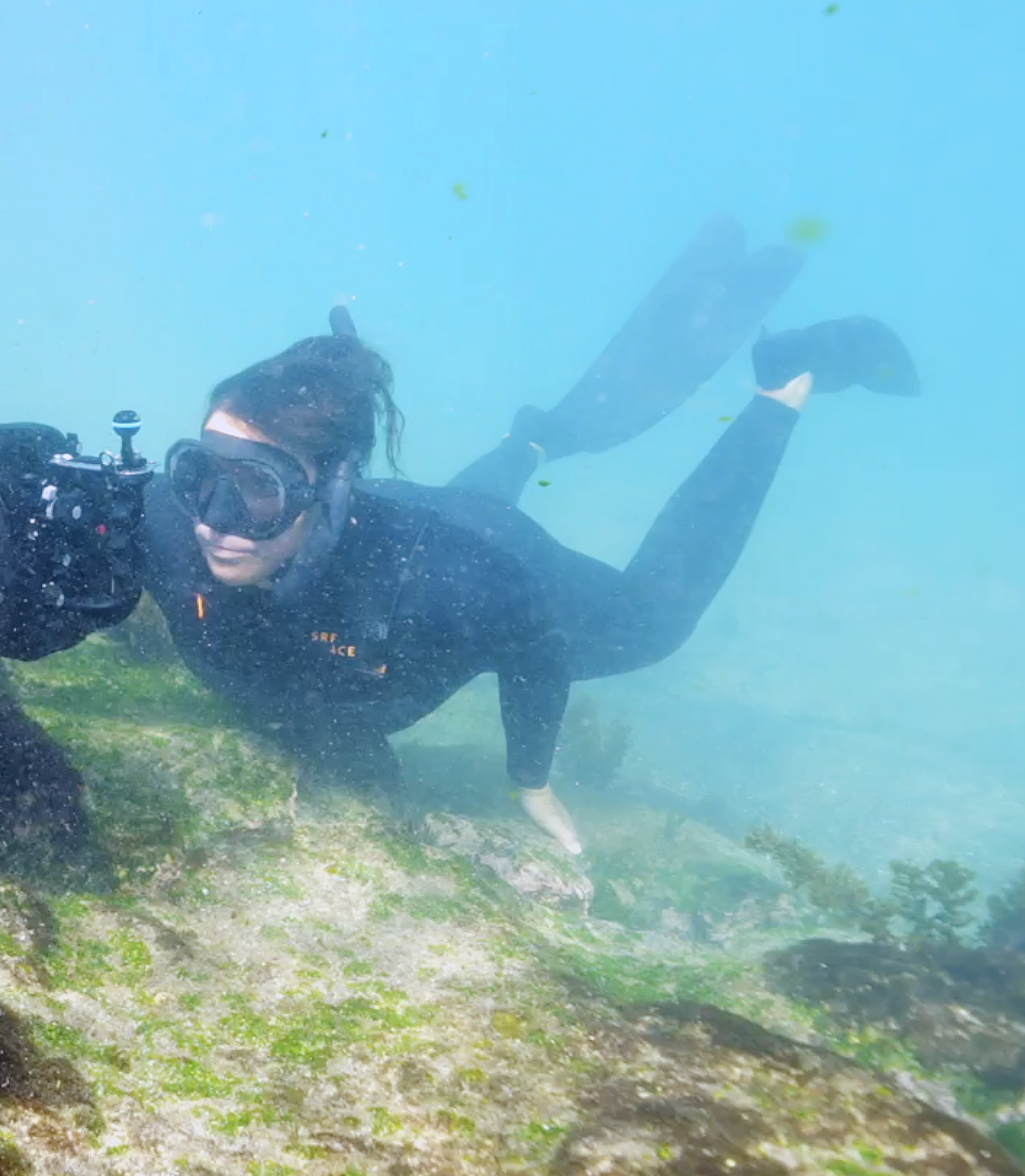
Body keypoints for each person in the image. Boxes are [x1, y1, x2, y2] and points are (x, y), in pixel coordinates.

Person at [144, 276, 918, 855]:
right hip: (415, 523)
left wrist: (530, 778)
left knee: (652, 623)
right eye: (201, 474)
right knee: (440, 520)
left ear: (333, 486)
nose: (213, 519)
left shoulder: (460, 584)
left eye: (258, 487)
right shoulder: (170, 518)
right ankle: (533, 441)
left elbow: (532, 646)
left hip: (485, 547)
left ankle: (779, 390)